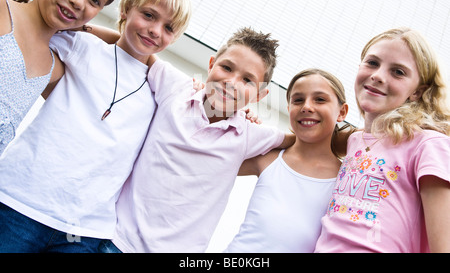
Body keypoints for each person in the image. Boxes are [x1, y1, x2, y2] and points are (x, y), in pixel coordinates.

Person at [0, 0, 192, 253]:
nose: (155, 30)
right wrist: (102, 33)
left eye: (168, 28)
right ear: (125, 9)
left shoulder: (164, 89)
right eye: (149, 15)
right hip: (17, 201)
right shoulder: (82, 48)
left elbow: (207, 112)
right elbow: (39, 29)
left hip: (85, 230)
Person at [98, 27, 295, 253]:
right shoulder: (175, 88)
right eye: (227, 67)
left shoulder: (250, 135)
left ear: (259, 95)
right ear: (211, 64)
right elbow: (128, 45)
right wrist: (78, 26)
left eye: (247, 80)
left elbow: (302, 141)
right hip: (114, 239)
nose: (231, 82)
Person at [315, 27, 450, 253]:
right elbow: (304, 141)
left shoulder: (429, 145)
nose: (377, 75)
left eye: (398, 72)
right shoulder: (353, 140)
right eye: (372, 63)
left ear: (417, 91)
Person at [0, 0, 120, 156]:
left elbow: (121, 43)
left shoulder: (53, 69)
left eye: (94, 1)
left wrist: (80, 27)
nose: (79, 2)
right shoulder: (3, 11)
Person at [224, 69, 354, 253]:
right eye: (298, 100)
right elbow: (212, 157)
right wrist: (237, 119)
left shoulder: (348, 180)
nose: (306, 107)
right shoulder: (268, 157)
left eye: (320, 99)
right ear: (289, 109)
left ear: (342, 112)